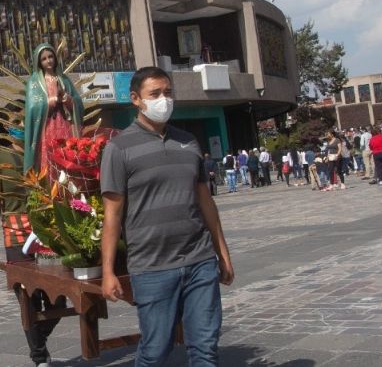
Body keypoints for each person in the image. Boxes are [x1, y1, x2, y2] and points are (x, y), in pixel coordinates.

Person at [100, 66, 233, 366]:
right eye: (155, 94)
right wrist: (108, 271)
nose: (164, 99)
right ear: (136, 99)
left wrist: (222, 254)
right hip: (152, 267)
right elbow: (112, 215)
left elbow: (206, 203)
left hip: (199, 261)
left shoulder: (188, 142)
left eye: (168, 92)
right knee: (155, 349)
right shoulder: (118, 148)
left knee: (205, 346)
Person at [0, 123, 66, 367]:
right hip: (16, 237)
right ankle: (40, 356)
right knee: (28, 300)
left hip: (48, 235)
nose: (21, 129)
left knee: (58, 300)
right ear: (8, 129)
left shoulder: (44, 155)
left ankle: (36, 339)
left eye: (25, 123)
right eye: (16, 125)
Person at [23, 43, 85, 173]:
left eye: (50, 56)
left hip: (64, 125)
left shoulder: (64, 79)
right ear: (39, 62)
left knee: (67, 158)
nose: (48, 61)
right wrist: (50, 101)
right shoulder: (34, 82)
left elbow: (78, 103)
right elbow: (32, 108)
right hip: (46, 128)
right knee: (50, 163)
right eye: (44, 59)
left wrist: (68, 100)